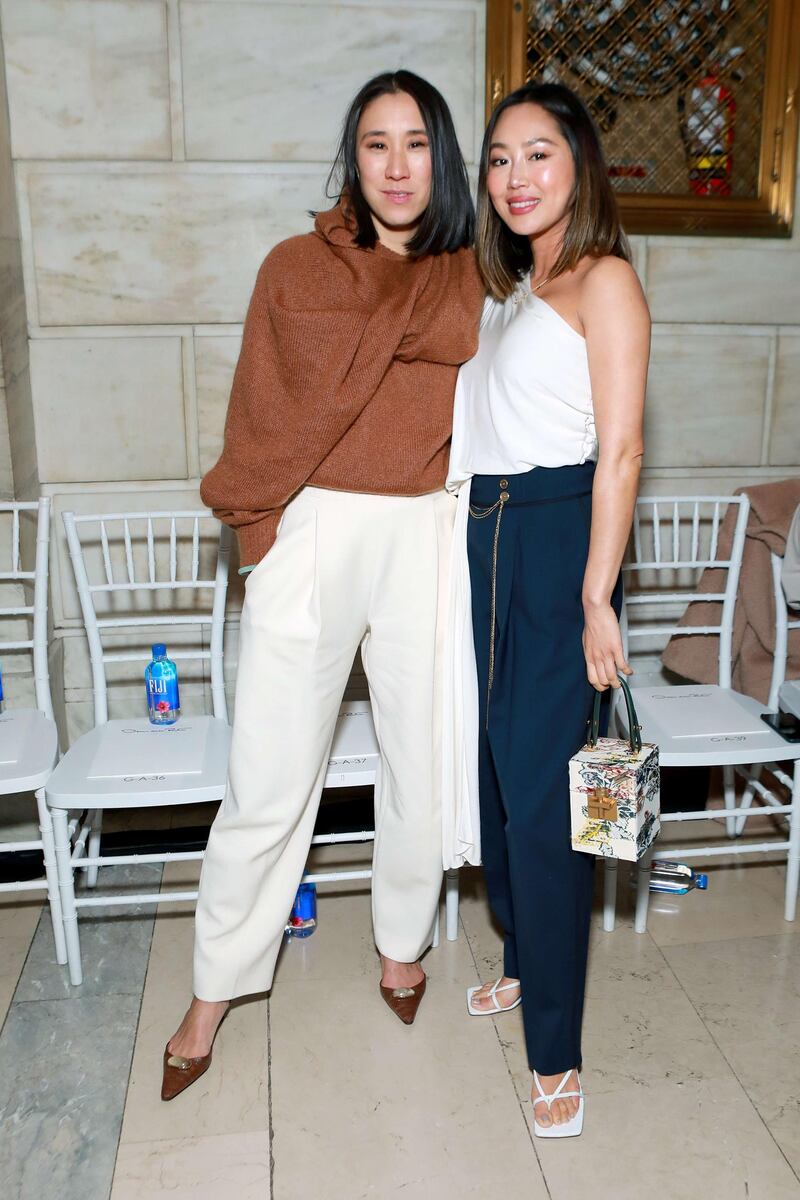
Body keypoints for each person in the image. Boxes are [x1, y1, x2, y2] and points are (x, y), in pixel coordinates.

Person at [162, 70, 484, 1101]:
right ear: (353, 157)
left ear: (441, 156)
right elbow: (257, 408)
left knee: (419, 756)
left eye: (416, 143)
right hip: (311, 527)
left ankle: (401, 943)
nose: (396, 165)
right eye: (375, 143)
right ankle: (214, 985)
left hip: (425, 530)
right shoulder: (296, 268)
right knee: (268, 772)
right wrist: (262, 538)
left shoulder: (470, 276)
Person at [444, 82, 650, 1137]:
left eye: (537, 154)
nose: (515, 176)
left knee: (546, 800)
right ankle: (526, 961)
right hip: (485, 537)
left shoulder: (600, 279)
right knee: (498, 783)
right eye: (497, 159)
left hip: (558, 535)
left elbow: (619, 447)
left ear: (578, 164)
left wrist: (592, 594)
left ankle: (557, 1055)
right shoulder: (504, 291)